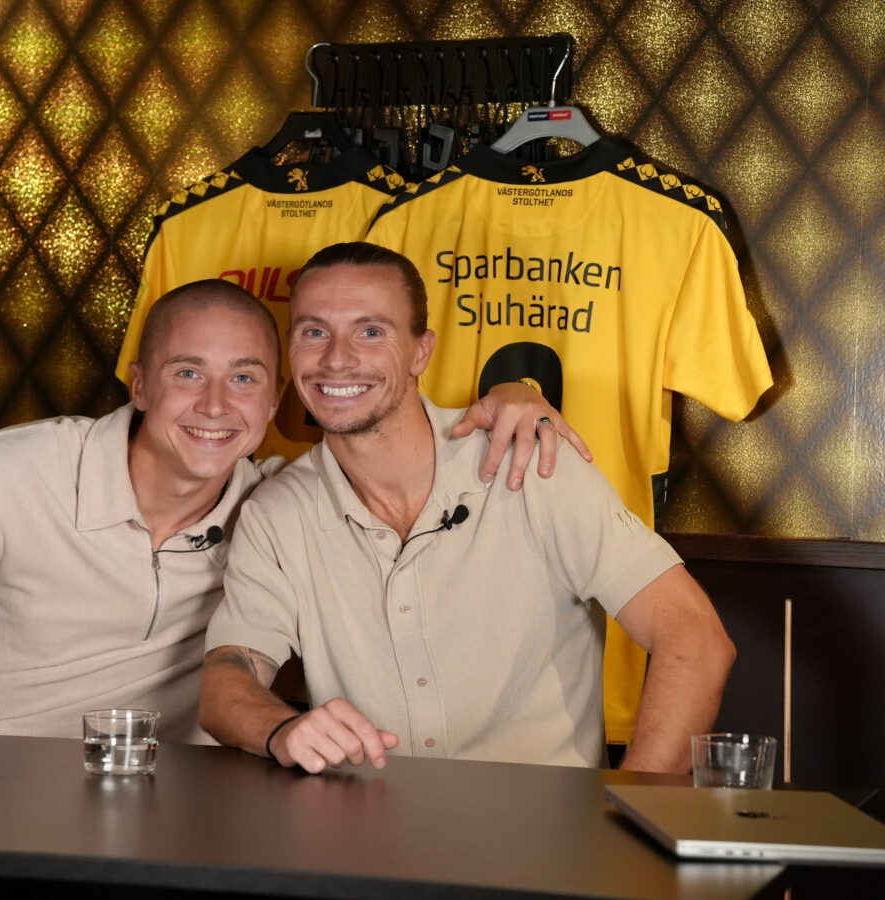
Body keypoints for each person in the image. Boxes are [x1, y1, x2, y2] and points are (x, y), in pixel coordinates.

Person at [0, 278, 578, 740]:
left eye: (245, 378)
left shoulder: (277, 507)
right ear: (140, 385)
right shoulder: (11, 472)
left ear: (276, 400)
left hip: (155, 819)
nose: (216, 405)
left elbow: (399, 450)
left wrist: (518, 397)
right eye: (188, 373)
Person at [199, 242, 735, 773]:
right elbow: (229, 674)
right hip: (365, 823)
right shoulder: (275, 512)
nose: (337, 358)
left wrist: (628, 810)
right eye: (314, 332)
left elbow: (696, 639)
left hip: (549, 826)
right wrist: (281, 729)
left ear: (421, 352)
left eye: (371, 332)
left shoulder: (533, 463)